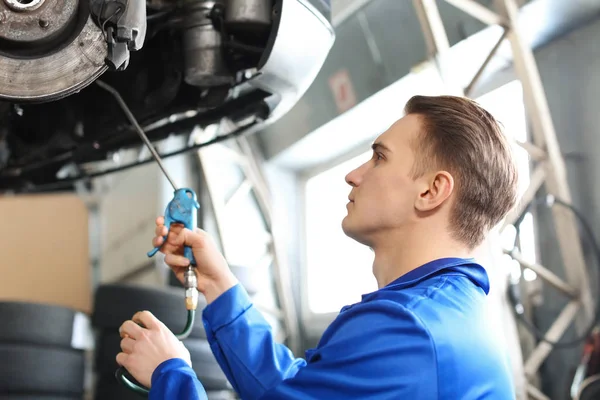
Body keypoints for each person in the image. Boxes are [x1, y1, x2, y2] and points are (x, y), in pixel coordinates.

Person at [117, 95, 519, 399]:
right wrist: (216, 283)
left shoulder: (408, 330)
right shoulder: (442, 314)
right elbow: (295, 389)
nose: (352, 174)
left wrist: (170, 372)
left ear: (432, 191)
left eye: (379, 158)